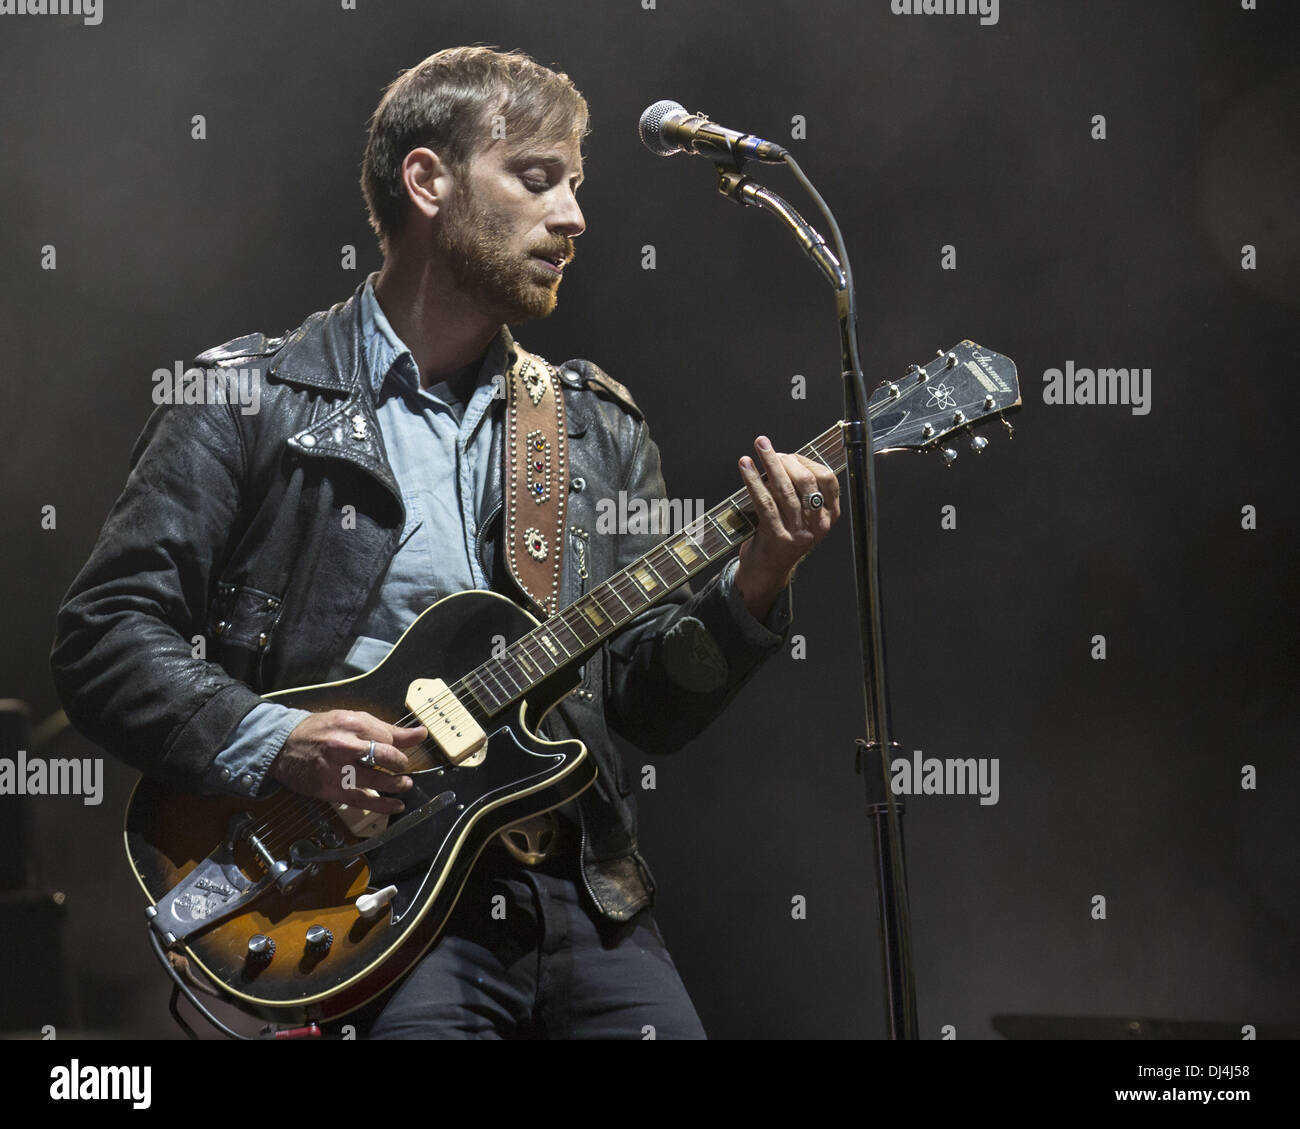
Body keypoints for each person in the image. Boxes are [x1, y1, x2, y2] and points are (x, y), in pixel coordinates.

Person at [50, 46, 841, 1039]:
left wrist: (758, 580)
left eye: (576, 187)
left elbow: (644, 703)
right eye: (537, 178)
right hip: (366, 902)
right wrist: (282, 741)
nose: (574, 218)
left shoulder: (592, 427)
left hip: (584, 897)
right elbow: (104, 637)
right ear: (427, 181)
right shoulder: (246, 397)